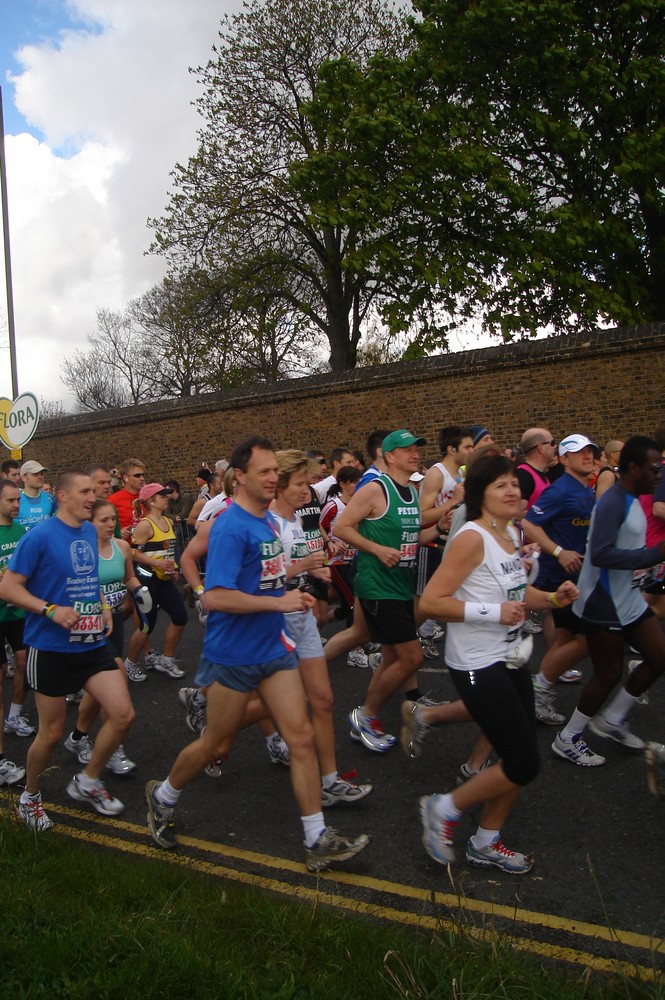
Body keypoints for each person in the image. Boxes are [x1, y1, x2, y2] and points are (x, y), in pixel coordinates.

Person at [144, 435, 369, 871]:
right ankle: (163, 794)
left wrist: (295, 582)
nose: (273, 478)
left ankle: (316, 838)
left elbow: (267, 574)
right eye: (264, 472)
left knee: (300, 736)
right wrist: (279, 601)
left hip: (274, 647)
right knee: (215, 743)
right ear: (241, 477)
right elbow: (217, 598)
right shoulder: (230, 527)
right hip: (234, 653)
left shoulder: (267, 522)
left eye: (275, 471)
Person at [417, 454, 578, 873]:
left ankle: (485, 841)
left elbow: (520, 595)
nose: (512, 491)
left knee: (516, 757)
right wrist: (491, 613)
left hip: (508, 656)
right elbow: (433, 602)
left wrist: (556, 598)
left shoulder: (509, 532)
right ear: (479, 495)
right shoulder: (472, 537)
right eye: (500, 485)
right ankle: (443, 808)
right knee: (524, 760)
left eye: (514, 484)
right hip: (475, 661)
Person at [0, 471, 136, 830]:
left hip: (90, 643)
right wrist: (49, 609)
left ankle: (88, 781)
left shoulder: (89, 532)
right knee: (51, 733)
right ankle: (30, 798)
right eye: (85, 491)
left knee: (123, 714)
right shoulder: (40, 536)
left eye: (95, 490)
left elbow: (86, 580)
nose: (93, 496)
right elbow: (9, 588)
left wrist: (103, 606)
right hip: (50, 647)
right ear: (61, 495)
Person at [552, 436, 665, 765]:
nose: (659, 475)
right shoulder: (614, 501)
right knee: (608, 674)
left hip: (627, 596)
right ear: (633, 468)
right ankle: (568, 737)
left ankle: (612, 719)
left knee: (659, 658)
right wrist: (652, 555)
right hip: (602, 601)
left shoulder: (634, 497)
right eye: (654, 468)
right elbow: (599, 553)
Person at [273, 450, 371, 807]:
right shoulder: (264, 524)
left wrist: (312, 571)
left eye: (309, 481)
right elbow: (257, 582)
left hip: (301, 617)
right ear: (279, 485)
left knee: (324, 699)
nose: (308, 489)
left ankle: (330, 780)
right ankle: (206, 707)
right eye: (300, 483)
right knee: (253, 708)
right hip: (273, 621)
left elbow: (297, 566)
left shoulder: (296, 522)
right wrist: (302, 566)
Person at [334, 429, 428, 752]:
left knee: (391, 658)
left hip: (402, 585)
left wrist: (445, 523)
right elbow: (341, 527)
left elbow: (412, 534)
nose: (415, 454)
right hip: (377, 585)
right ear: (389, 456)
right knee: (412, 657)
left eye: (416, 449)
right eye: (407, 450)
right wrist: (376, 549)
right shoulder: (376, 489)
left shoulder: (411, 491)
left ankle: (366, 720)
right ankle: (366, 714)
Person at [63, 498, 151, 775]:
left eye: (113, 519)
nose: (111, 524)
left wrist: (140, 592)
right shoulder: (80, 552)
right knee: (117, 678)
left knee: (98, 690)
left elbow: (129, 578)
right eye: (103, 520)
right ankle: (113, 749)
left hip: (115, 624)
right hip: (89, 627)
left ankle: (77, 737)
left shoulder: (122, 547)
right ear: (89, 523)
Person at [522, 434, 598, 722]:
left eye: (590, 451)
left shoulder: (585, 489)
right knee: (586, 639)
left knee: (567, 638)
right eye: (579, 452)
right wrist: (558, 551)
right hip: (560, 577)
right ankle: (538, 689)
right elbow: (528, 523)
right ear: (564, 459)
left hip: (577, 576)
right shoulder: (561, 489)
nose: (587, 456)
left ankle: (541, 688)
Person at [124, 483, 187, 681]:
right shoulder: (145, 525)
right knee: (147, 625)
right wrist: (155, 563)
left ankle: (166, 659)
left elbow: (167, 551)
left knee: (180, 616)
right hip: (147, 578)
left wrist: (173, 568)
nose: (167, 498)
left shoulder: (168, 522)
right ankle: (130, 663)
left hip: (164, 579)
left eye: (167, 495)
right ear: (151, 501)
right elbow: (133, 552)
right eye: (162, 496)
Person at [0, 478, 30, 784]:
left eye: (18, 500)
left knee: (23, 663)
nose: (16, 506)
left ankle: (15, 715)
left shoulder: (20, 531)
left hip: (17, 611)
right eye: (10, 500)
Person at [109, 458, 146, 540]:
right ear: (126, 478)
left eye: (143, 475)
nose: (142, 478)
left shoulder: (147, 497)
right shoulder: (113, 500)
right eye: (137, 475)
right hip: (126, 548)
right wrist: (117, 533)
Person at [17, 460, 55, 530]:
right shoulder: (15, 498)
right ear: (23, 477)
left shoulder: (50, 498)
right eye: (35, 474)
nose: (40, 477)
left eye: (41, 474)